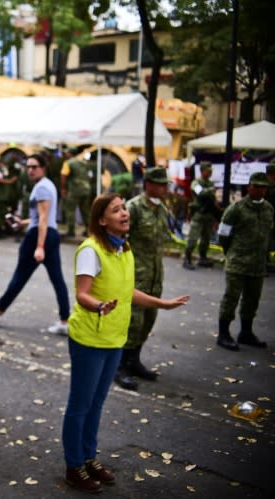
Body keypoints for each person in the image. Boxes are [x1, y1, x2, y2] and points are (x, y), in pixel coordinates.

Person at [62, 192, 189, 493]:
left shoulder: (124, 250)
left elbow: (129, 291)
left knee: (97, 403)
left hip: (114, 339)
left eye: (124, 208)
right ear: (102, 220)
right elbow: (82, 293)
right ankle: (73, 466)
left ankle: (89, 458)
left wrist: (163, 304)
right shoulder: (90, 250)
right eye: (116, 210)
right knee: (80, 405)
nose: (124, 213)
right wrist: (98, 306)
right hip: (89, 338)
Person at [0, 153, 71, 334]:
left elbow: (43, 218)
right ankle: (64, 321)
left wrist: (39, 246)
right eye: (28, 167)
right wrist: (23, 222)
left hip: (39, 236)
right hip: (50, 233)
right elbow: (42, 216)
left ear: (43, 168)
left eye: (34, 166)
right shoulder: (48, 185)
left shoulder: (42, 188)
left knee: (20, 276)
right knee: (57, 280)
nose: (30, 170)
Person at [114, 167, 171, 391]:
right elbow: (118, 241)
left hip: (154, 277)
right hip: (135, 277)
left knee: (147, 321)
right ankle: (118, 366)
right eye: (160, 184)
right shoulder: (133, 208)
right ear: (148, 184)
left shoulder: (161, 209)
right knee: (131, 322)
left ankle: (133, 361)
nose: (165, 188)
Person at [215, 172, 274, 351]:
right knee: (231, 299)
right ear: (249, 187)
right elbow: (223, 235)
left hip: (257, 264)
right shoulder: (236, 208)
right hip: (238, 262)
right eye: (256, 186)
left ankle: (246, 333)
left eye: (263, 187)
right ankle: (223, 334)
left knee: (252, 300)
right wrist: (232, 253)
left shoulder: (268, 209)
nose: (260, 190)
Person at [183, 161, 220, 269]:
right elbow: (200, 193)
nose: (210, 173)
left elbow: (212, 198)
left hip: (208, 215)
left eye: (211, 171)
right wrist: (210, 190)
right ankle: (187, 259)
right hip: (199, 214)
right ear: (202, 171)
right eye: (208, 171)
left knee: (206, 239)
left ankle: (203, 258)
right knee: (193, 238)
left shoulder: (210, 183)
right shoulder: (196, 183)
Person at [60, 151, 92, 238]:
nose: (65, 154)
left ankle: (71, 231)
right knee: (85, 211)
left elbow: (63, 175)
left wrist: (63, 189)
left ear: (70, 153)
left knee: (70, 210)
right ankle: (89, 231)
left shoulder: (68, 163)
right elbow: (89, 176)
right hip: (86, 189)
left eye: (67, 153)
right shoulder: (82, 162)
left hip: (75, 190)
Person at [0, 159, 19, 239]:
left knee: (0, 213)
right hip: (0, 196)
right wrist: (10, 181)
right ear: (0, 163)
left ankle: (3, 230)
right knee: (4, 213)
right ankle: (13, 228)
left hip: (1, 196)